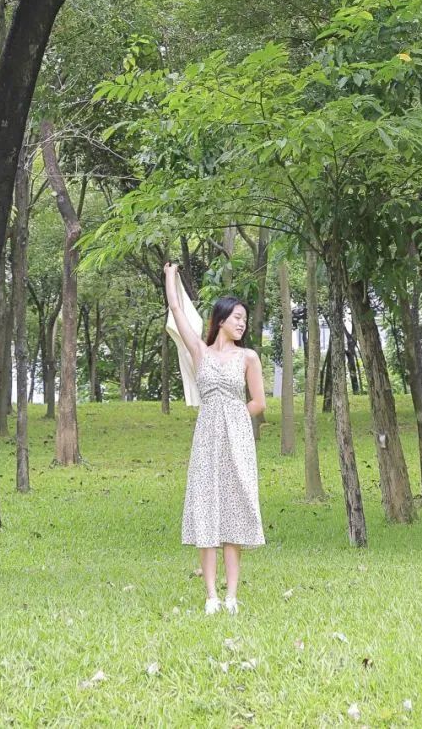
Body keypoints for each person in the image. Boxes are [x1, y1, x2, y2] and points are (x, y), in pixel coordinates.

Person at [163, 260, 266, 615]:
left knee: (234, 512)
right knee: (206, 512)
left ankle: (232, 595)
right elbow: (177, 310)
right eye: (237, 317)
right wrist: (171, 277)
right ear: (220, 319)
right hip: (206, 439)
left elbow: (259, 402)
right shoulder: (200, 352)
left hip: (237, 440)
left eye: (245, 319)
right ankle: (211, 596)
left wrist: (235, 417)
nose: (242, 323)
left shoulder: (248, 357)